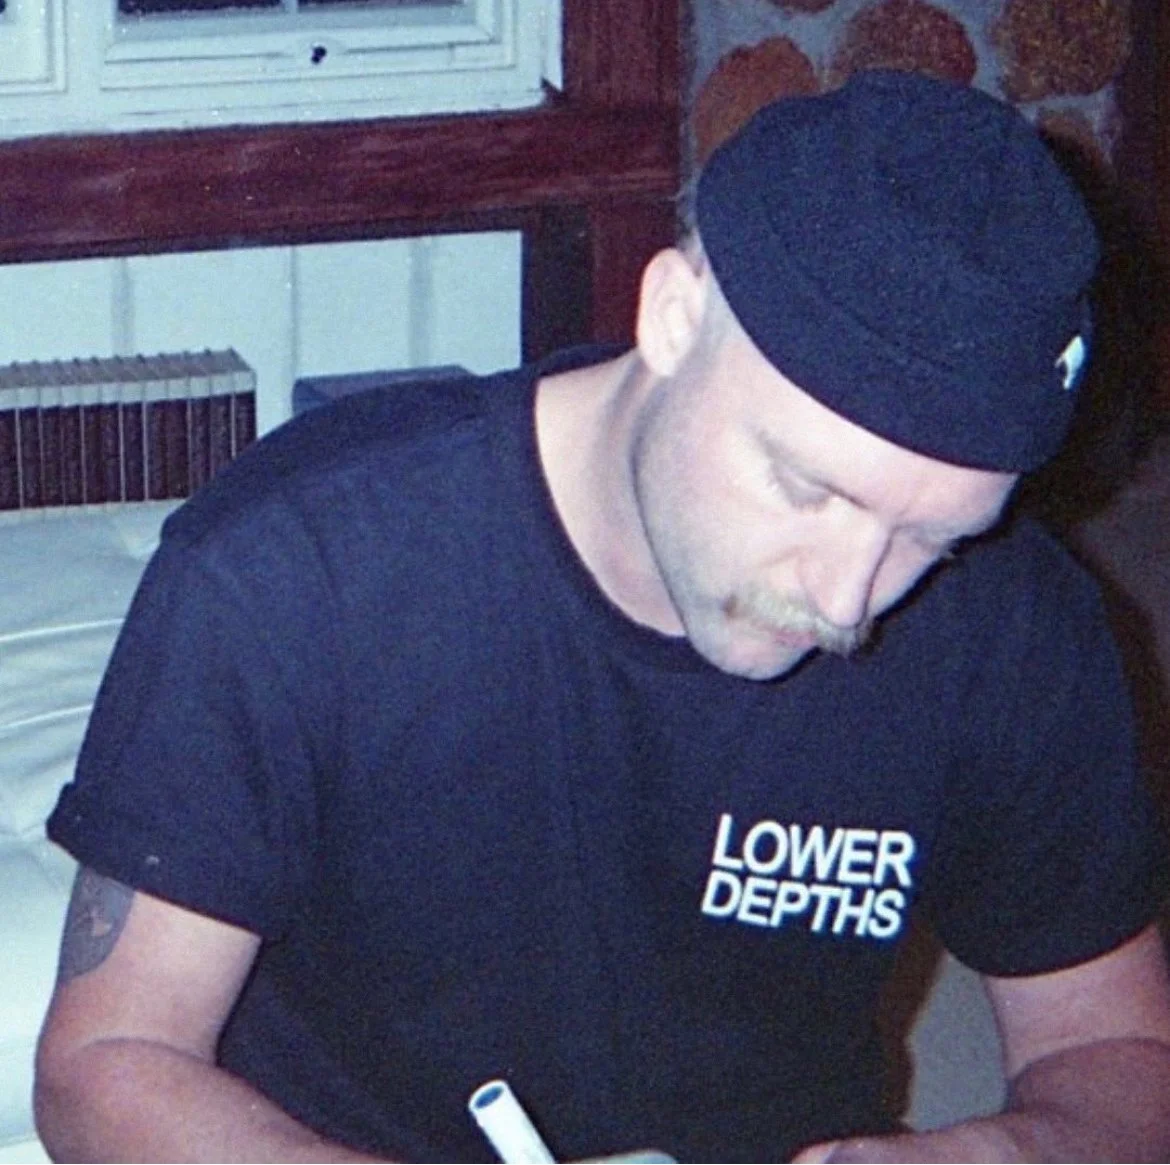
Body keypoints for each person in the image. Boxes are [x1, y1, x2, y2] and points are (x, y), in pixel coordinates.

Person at [34, 71, 1170, 1163]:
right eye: (806, 486)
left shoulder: (1018, 629)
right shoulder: (298, 566)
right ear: (673, 315)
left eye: (933, 537)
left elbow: (1117, 1055)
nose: (848, 598)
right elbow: (105, 1066)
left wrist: (997, 1150)